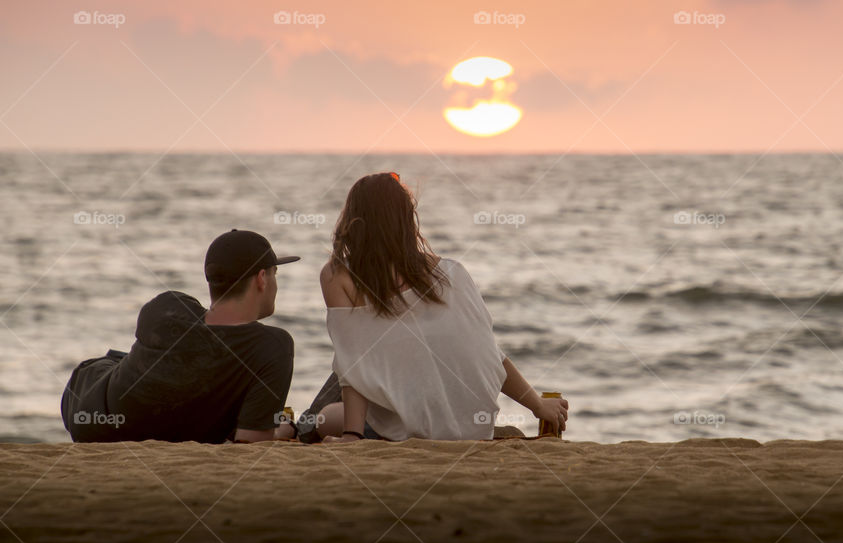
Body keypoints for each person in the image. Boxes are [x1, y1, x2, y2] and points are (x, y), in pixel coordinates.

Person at [294, 172, 569, 444]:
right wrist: (537, 406)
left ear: (353, 220)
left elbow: (353, 365)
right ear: (407, 219)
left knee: (326, 416)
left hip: (410, 430)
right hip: (474, 428)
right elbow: (489, 354)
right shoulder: (453, 272)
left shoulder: (338, 276)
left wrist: (352, 436)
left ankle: (293, 428)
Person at [61, 229, 300, 444]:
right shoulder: (273, 346)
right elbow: (250, 443)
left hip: (88, 418)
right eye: (275, 273)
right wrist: (283, 429)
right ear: (261, 279)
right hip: (92, 384)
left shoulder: (166, 307)